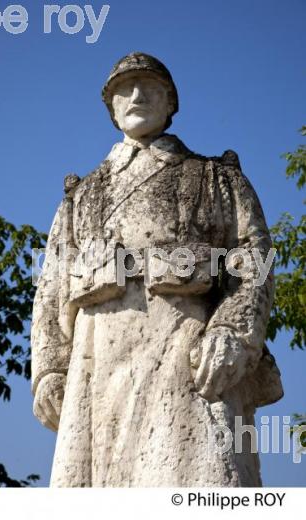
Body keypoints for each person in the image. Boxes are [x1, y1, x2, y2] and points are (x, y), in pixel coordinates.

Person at [31, 52, 283, 487]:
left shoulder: (216, 179)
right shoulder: (81, 197)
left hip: (186, 351)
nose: (135, 95)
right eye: (123, 89)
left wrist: (233, 333)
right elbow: (52, 286)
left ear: (171, 103)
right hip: (98, 362)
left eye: (149, 86)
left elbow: (253, 260)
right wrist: (49, 370)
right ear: (110, 107)